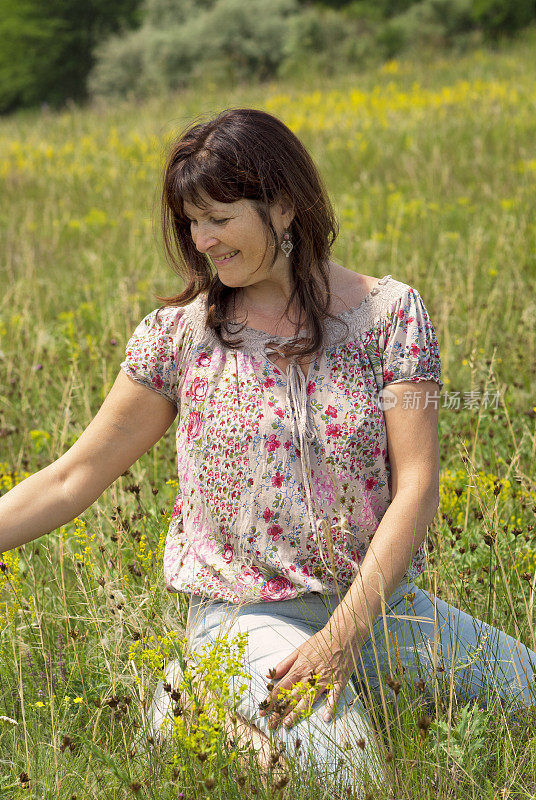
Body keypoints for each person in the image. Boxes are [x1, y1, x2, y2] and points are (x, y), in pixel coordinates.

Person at [1, 108, 534, 797]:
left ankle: (206, 704)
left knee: (524, 703)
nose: (202, 241)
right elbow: (74, 476)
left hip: (379, 606)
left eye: (219, 218)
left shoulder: (392, 316)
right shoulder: (178, 338)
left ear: (282, 205)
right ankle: (196, 692)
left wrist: (341, 641)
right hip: (244, 614)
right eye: (191, 222)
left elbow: (418, 487)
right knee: (350, 778)